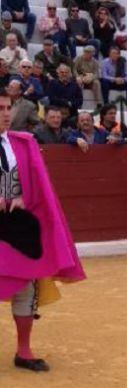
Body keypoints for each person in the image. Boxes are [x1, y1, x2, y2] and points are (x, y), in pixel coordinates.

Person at [0, 90, 85, 373]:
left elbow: (38, 182)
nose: (5, 113)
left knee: (25, 285)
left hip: (15, 224)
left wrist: (25, 197)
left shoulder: (22, 143)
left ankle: (24, 351)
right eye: (0, 108)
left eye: (7, 107)